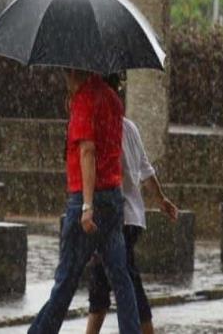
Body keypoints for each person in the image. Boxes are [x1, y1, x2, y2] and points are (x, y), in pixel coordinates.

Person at [28, 69, 141, 334]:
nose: (64, 74)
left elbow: (88, 151)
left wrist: (87, 206)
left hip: (87, 197)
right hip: (113, 197)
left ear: (75, 69)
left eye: (66, 69)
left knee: (66, 278)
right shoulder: (113, 99)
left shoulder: (85, 99)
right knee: (121, 277)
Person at [85, 74, 179, 334]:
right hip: (133, 218)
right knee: (105, 279)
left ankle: (145, 331)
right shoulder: (130, 127)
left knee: (122, 279)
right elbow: (146, 171)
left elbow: (99, 166)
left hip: (116, 217)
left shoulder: (106, 128)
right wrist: (160, 199)